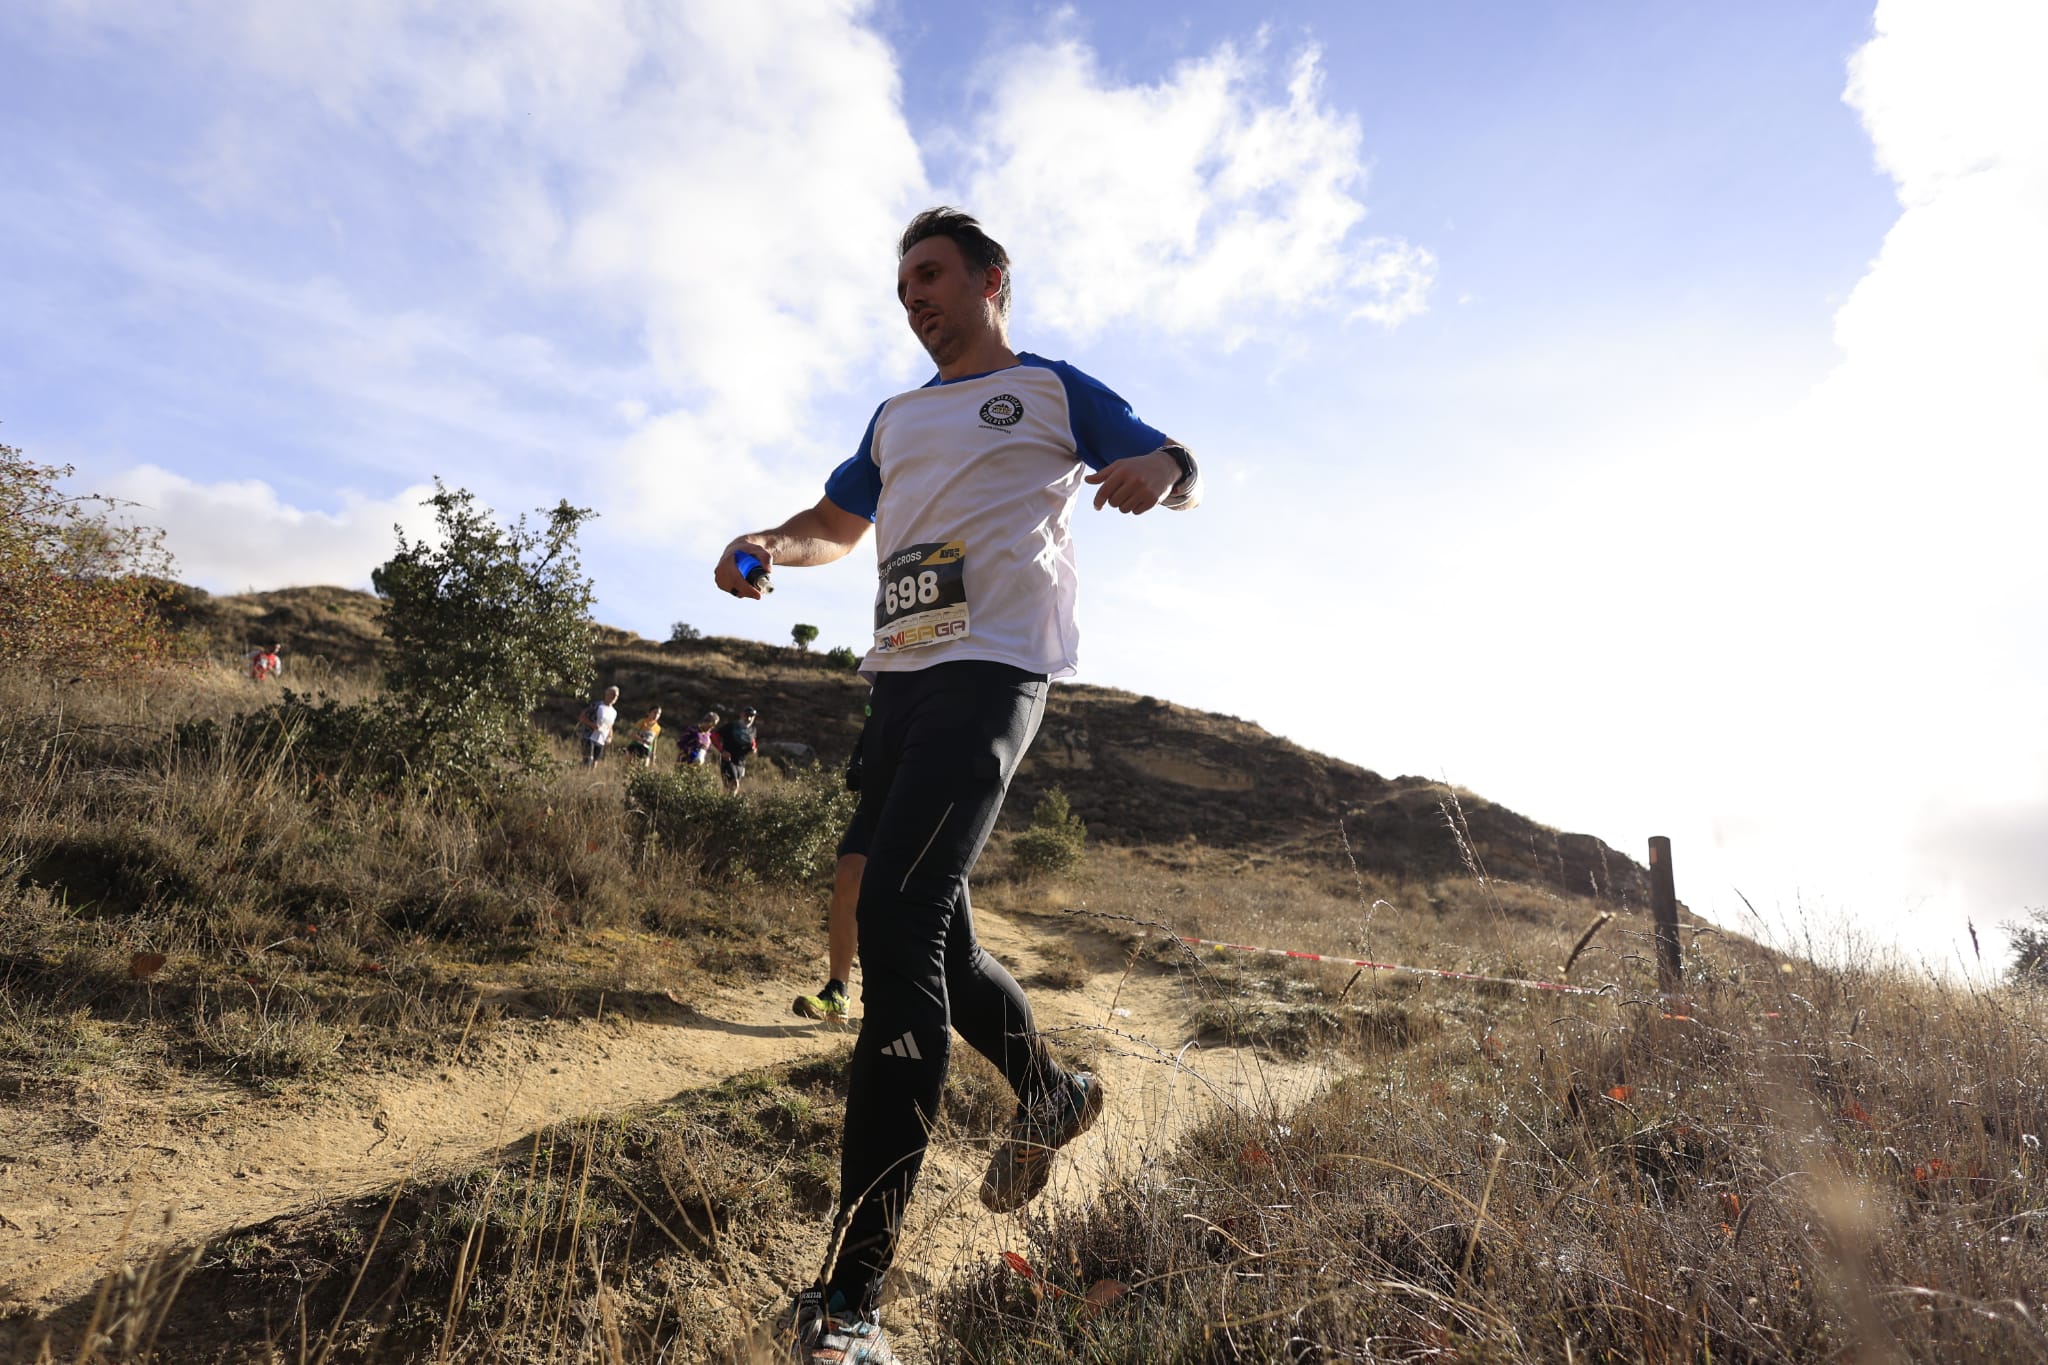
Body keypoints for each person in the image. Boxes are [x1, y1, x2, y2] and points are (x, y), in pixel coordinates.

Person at [715, 207, 1201, 1363]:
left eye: (930, 277)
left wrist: (1150, 469)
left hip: (990, 678)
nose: (913, 299)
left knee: (893, 918)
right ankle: (1050, 1091)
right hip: (898, 685)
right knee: (935, 939)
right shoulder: (892, 418)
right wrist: (767, 548)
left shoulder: (1046, 387)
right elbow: (834, 523)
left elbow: (1175, 463)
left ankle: (849, 1301)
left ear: (993, 280)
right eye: (901, 288)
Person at [793, 706, 870, 1022]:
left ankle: (903, 1001)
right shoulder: (887, 665)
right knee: (848, 873)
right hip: (880, 787)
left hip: (926, 784)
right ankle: (837, 991)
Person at [713, 706, 759, 796]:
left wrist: (753, 750)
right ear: (741, 715)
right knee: (734, 784)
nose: (749, 719)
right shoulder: (731, 726)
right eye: (747, 716)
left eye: (751, 716)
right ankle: (729, 805)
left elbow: (753, 743)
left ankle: (724, 806)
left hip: (741, 763)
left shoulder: (753, 730)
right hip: (728, 760)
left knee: (729, 788)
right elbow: (714, 736)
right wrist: (722, 751)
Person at [578, 686, 620, 766]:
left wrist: (610, 737)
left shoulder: (614, 712)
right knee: (588, 760)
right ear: (607, 694)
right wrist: (592, 725)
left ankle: (588, 777)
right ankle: (581, 774)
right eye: (613, 694)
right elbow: (582, 717)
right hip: (589, 737)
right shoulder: (597, 705)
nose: (614, 697)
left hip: (601, 740)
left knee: (595, 763)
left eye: (617, 696)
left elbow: (610, 726)